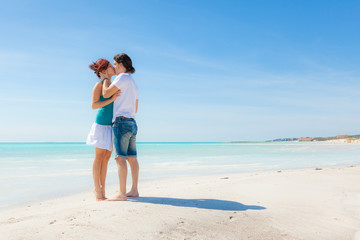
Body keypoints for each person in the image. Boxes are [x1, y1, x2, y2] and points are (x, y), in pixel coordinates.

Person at [100, 53, 139, 201]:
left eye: (115, 65)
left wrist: (105, 79)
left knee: (120, 159)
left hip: (121, 122)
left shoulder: (121, 78)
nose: (114, 67)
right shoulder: (133, 82)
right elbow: (136, 107)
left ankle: (122, 193)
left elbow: (105, 93)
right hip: (132, 122)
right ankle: (134, 190)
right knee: (133, 158)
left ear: (121, 64)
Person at [87, 58, 120, 201]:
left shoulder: (113, 84)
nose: (114, 68)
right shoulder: (99, 85)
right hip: (101, 125)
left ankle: (103, 190)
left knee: (106, 159)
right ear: (105, 69)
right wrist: (111, 99)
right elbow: (94, 105)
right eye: (110, 66)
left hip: (111, 125)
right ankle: (97, 189)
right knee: (99, 158)